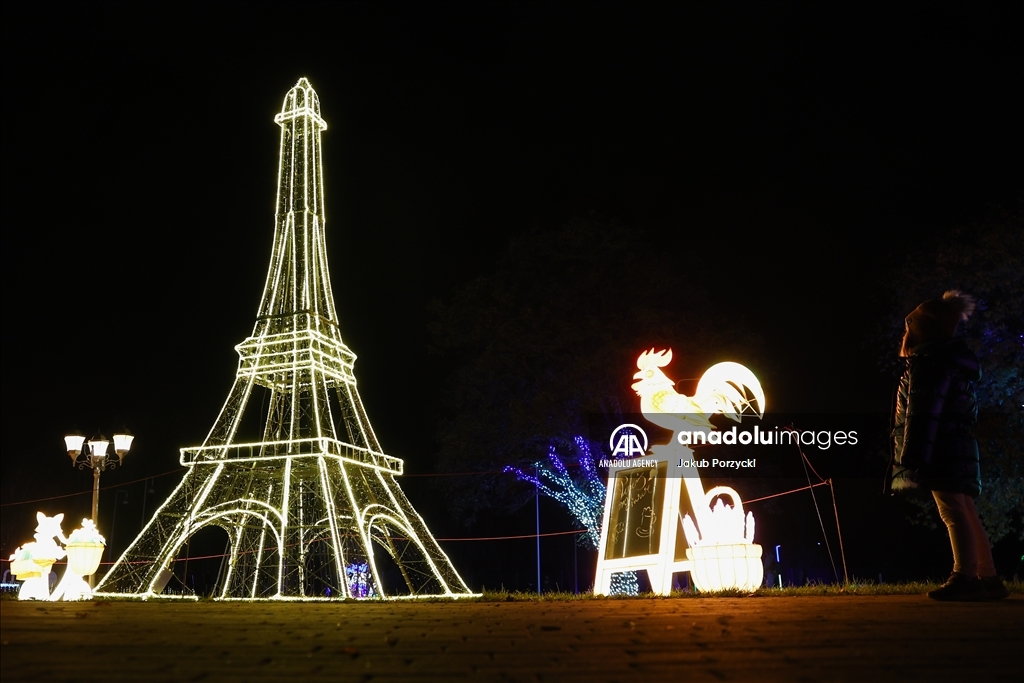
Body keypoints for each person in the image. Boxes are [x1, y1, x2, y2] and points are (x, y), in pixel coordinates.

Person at [891, 290, 1009, 601]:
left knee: (953, 511)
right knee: (965, 509)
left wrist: (913, 455)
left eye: (909, 328)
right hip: (956, 445)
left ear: (920, 331)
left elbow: (922, 412)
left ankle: (965, 575)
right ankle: (988, 576)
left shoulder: (929, 363)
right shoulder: (952, 361)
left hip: (939, 448)